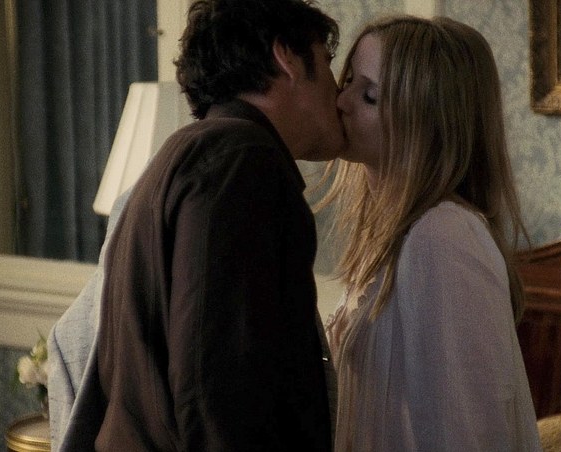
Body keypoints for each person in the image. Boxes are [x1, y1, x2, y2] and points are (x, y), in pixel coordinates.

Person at [47, 0, 344, 450]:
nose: (337, 92)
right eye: (326, 63)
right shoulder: (240, 160)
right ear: (286, 56)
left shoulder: (191, 152)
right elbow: (216, 387)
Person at [320, 15, 542, 451]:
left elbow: (468, 430)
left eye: (369, 95)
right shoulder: (392, 234)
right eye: (347, 82)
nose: (341, 101)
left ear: (423, 122)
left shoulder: (442, 237)